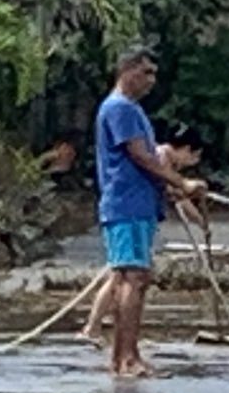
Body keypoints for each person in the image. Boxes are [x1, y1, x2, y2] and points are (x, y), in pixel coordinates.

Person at [96, 48, 204, 379]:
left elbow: (144, 163)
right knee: (132, 278)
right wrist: (181, 181)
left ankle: (125, 356)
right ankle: (127, 358)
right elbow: (141, 157)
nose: (151, 80)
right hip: (125, 204)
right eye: (146, 72)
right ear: (127, 71)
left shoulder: (134, 111)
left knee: (136, 278)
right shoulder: (120, 109)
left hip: (139, 202)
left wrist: (167, 189)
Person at [81, 124, 208, 348]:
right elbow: (174, 192)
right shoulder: (160, 159)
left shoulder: (163, 160)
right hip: (128, 217)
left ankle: (103, 328)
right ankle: (93, 328)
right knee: (120, 275)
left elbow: (173, 193)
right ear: (186, 149)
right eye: (195, 156)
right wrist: (199, 218)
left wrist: (197, 216)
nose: (194, 162)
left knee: (121, 275)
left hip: (139, 218)